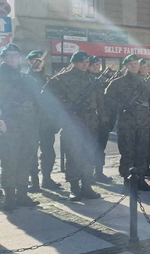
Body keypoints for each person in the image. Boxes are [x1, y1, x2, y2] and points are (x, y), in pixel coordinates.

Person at [43, 51, 106, 201]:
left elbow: (101, 102)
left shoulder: (93, 80)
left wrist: (104, 119)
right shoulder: (61, 79)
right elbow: (46, 97)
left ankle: (87, 186)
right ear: (74, 62)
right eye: (82, 62)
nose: (85, 64)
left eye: (87, 62)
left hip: (90, 122)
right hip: (72, 122)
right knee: (73, 155)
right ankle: (74, 188)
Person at [105, 54, 150, 191]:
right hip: (127, 123)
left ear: (139, 65)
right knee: (127, 152)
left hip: (144, 123)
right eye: (130, 64)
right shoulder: (117, 83)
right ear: (126, 66)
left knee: (142, 152)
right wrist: (122, 106)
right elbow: (108, 101)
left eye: (136, 63)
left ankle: (141, 179)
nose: (134, 66)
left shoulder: (147, 83)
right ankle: (127, 180)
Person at [0, 43, 41, 211]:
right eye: (9, 55)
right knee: (10, 160)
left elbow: (38, 95)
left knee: (26, 159)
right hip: (8, 124)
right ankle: (9, 197)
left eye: (15, 55)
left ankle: (22, 195)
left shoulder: (24, 76)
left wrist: (38, 73)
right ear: (3, 58)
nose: (12, 58)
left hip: (28, 124)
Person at [26, 50, 59, 191]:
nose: (37, 62)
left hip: (47, 122)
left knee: (48, 152)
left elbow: (56, 101)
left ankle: (47, 179)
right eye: (34, 60)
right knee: (31, 152)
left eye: (40, 59)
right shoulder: (24, 78)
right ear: (30, 62)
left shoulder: (50, 80)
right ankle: (34, 181)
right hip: (30, 121)